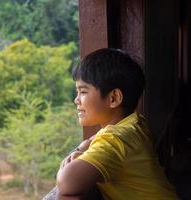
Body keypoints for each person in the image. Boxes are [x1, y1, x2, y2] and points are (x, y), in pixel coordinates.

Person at [47, 48, 179, 200]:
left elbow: (67, 183)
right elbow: (99, 137)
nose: (76, 100)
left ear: (114, 98)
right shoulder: (135, 124)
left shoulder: (114, 141)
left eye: (83, 92)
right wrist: (83, 147)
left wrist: (68, 162)